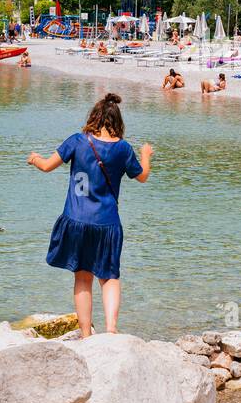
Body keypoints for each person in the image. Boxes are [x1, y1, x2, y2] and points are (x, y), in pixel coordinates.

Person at [27, 92, 152, 336]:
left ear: (93, 117)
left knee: (83, 278)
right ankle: (112, 330)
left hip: (76, 220)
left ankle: (86, 335)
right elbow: (142, 176)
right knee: (109, 278)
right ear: (117, 121)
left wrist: (33, 159)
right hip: (107, 223)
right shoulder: (123, 149)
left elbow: (45, 166)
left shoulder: (76, 141)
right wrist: (146, 155)